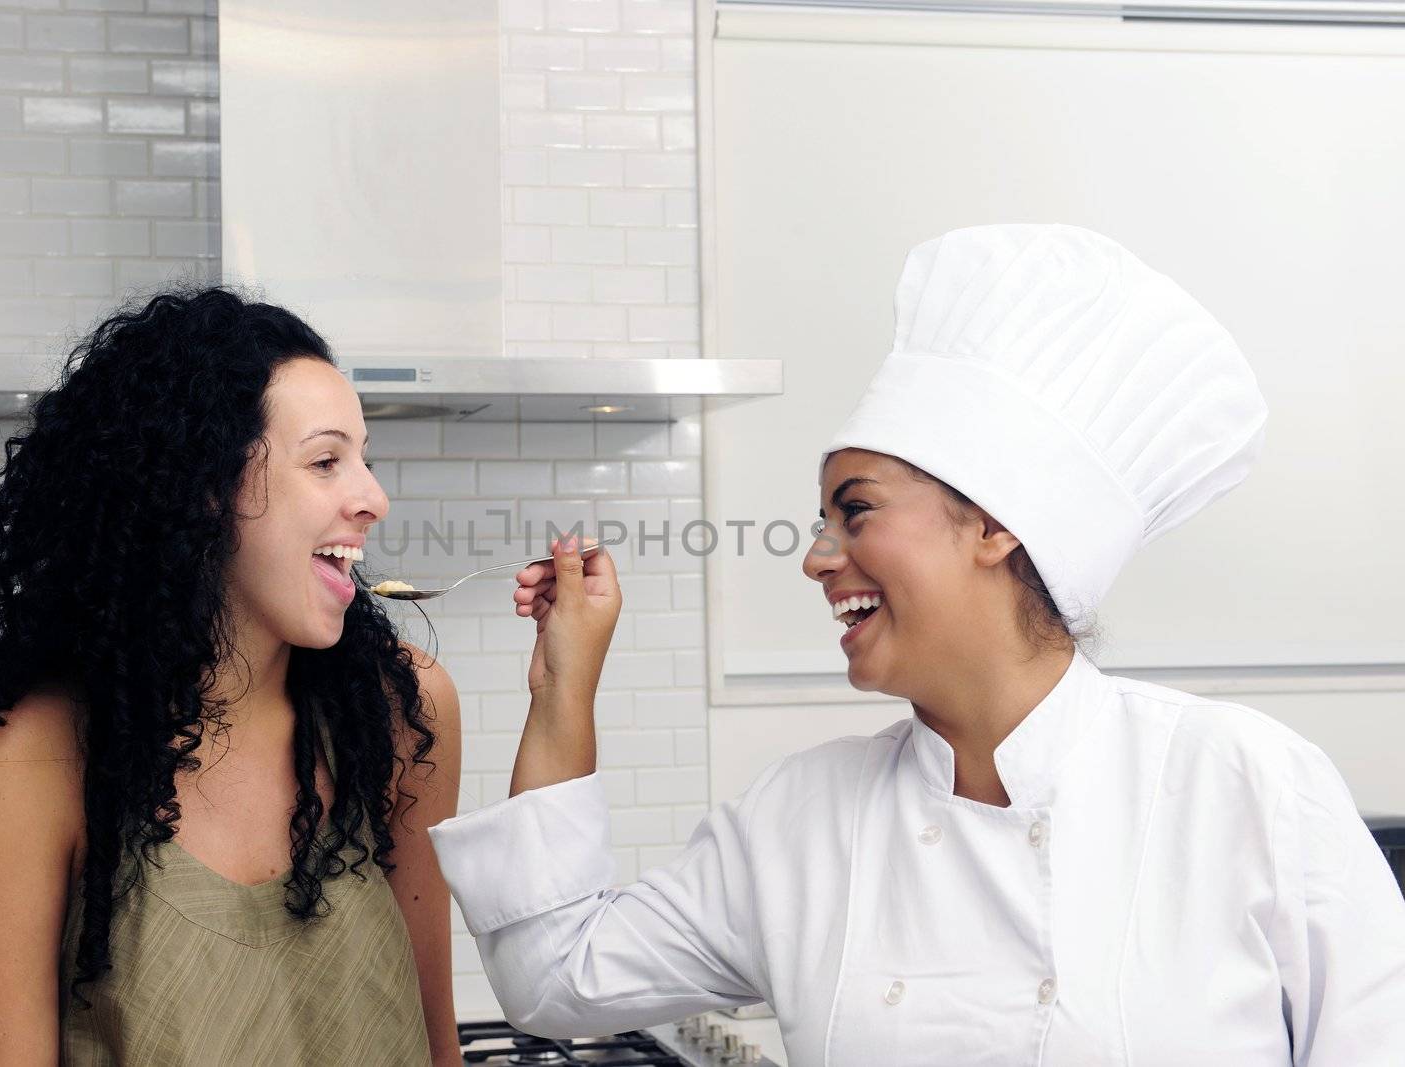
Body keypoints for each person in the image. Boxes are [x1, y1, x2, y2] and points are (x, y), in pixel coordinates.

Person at [428, 225, 1405, 1065]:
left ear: (995, 525)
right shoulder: (799, 818)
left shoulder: (1245, 784)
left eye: (853, 512)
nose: (816, 558)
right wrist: (564, 680)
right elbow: (554, 978)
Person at [0, 289, 462, 1065]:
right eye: (327, 461)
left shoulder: (400, 708)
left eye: (364, 459)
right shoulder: (22, 768)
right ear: (201, 487)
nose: (373, 499)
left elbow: (434, 1038)